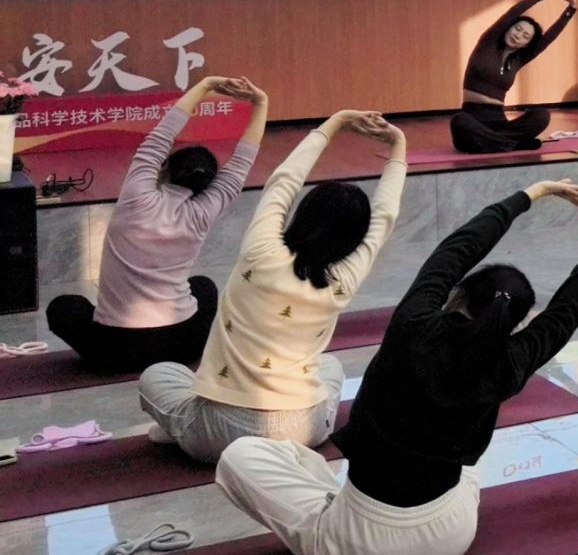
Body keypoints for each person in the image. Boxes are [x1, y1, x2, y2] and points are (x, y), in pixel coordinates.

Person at [215, 181, 578, 555]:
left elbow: (457, 249)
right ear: (515, 323)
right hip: (451, 538)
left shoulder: (414, 323)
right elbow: (566, 312)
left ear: (458, 295)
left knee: (240, 456)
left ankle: (331, 502)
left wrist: (530, 195)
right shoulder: (509, 362)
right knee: (467, 465)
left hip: (358, 552)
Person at [139, 110, 408, 464]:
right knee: (329, 367)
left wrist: (333, 124)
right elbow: (384, 216)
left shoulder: (261, 251)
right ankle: (190, 428)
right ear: (355, 238)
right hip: (305, 430)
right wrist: (398, 146)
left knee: (158, 374)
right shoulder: (344, 277)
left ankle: (184, 429)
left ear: (303, 214)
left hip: (219, 433)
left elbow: (283, 181)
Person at [44, 75, 269, 373]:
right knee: (203, 287)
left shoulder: (136, 197)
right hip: (183, 344)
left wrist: (203, 87)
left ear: (163, 169)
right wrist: (261, 103)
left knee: (63, 307)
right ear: (209, 184)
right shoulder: (203, 212)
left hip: (114, 350)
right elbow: (241, 163)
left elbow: (160, 137)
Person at [450, 0, 576, 154]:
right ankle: (512, 144)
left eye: (525, 36)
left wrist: (570, 11)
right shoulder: (487, 43)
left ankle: (494, 143)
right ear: (509, 27)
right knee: (459, 121)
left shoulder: (519, 59)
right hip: (472, 120)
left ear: (526, 44)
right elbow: (513, 12)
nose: (518, 35)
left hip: (500, 124)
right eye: (517, 28)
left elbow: (546, 40)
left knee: (541, 116)